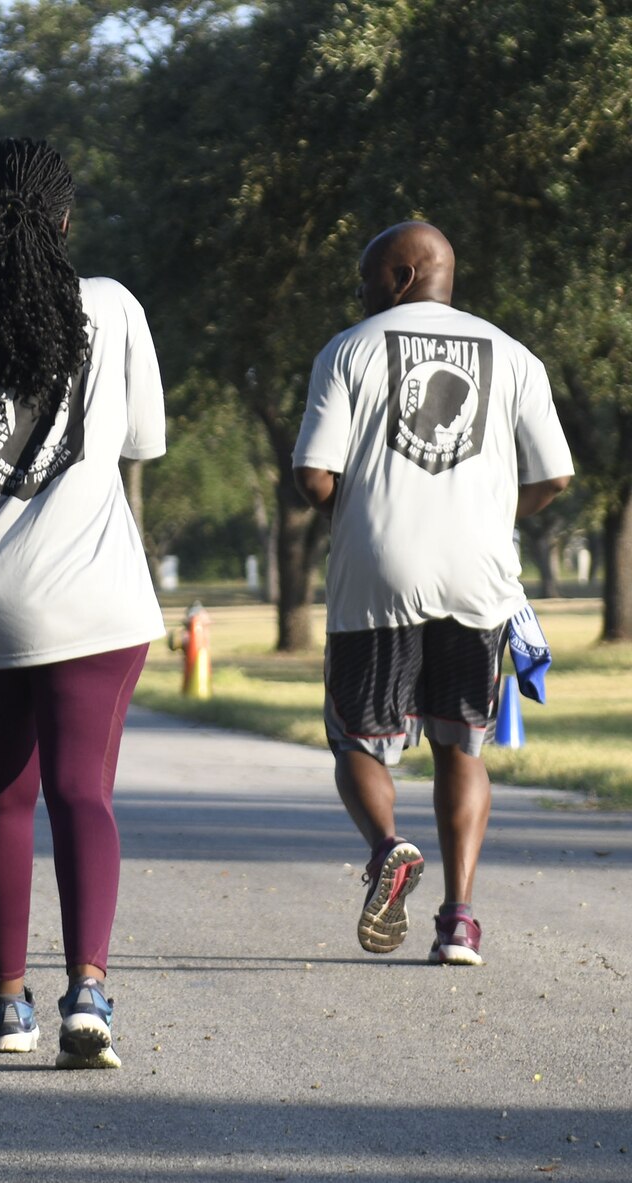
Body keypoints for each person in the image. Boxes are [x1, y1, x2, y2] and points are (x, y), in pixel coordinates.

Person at [0, 138, 166, 1068]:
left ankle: (6, 1006)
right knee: (82, 791)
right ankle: (88, 990)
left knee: (2, 800)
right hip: (93, 597)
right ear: (64, 218)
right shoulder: (115, 309)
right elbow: (142, 440)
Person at [293, 221, 572, 968]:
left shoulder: (349, 350)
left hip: (378, 572)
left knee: (356, 739)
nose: (359, 292)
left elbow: (314, 476)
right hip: (479, 574)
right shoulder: (514, 355)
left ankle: (390, 846)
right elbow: (554, 476)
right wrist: (486, 517)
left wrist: (364, 512)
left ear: (403, 277)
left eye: (366, 277)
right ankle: (460, 922)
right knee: (463, 744)